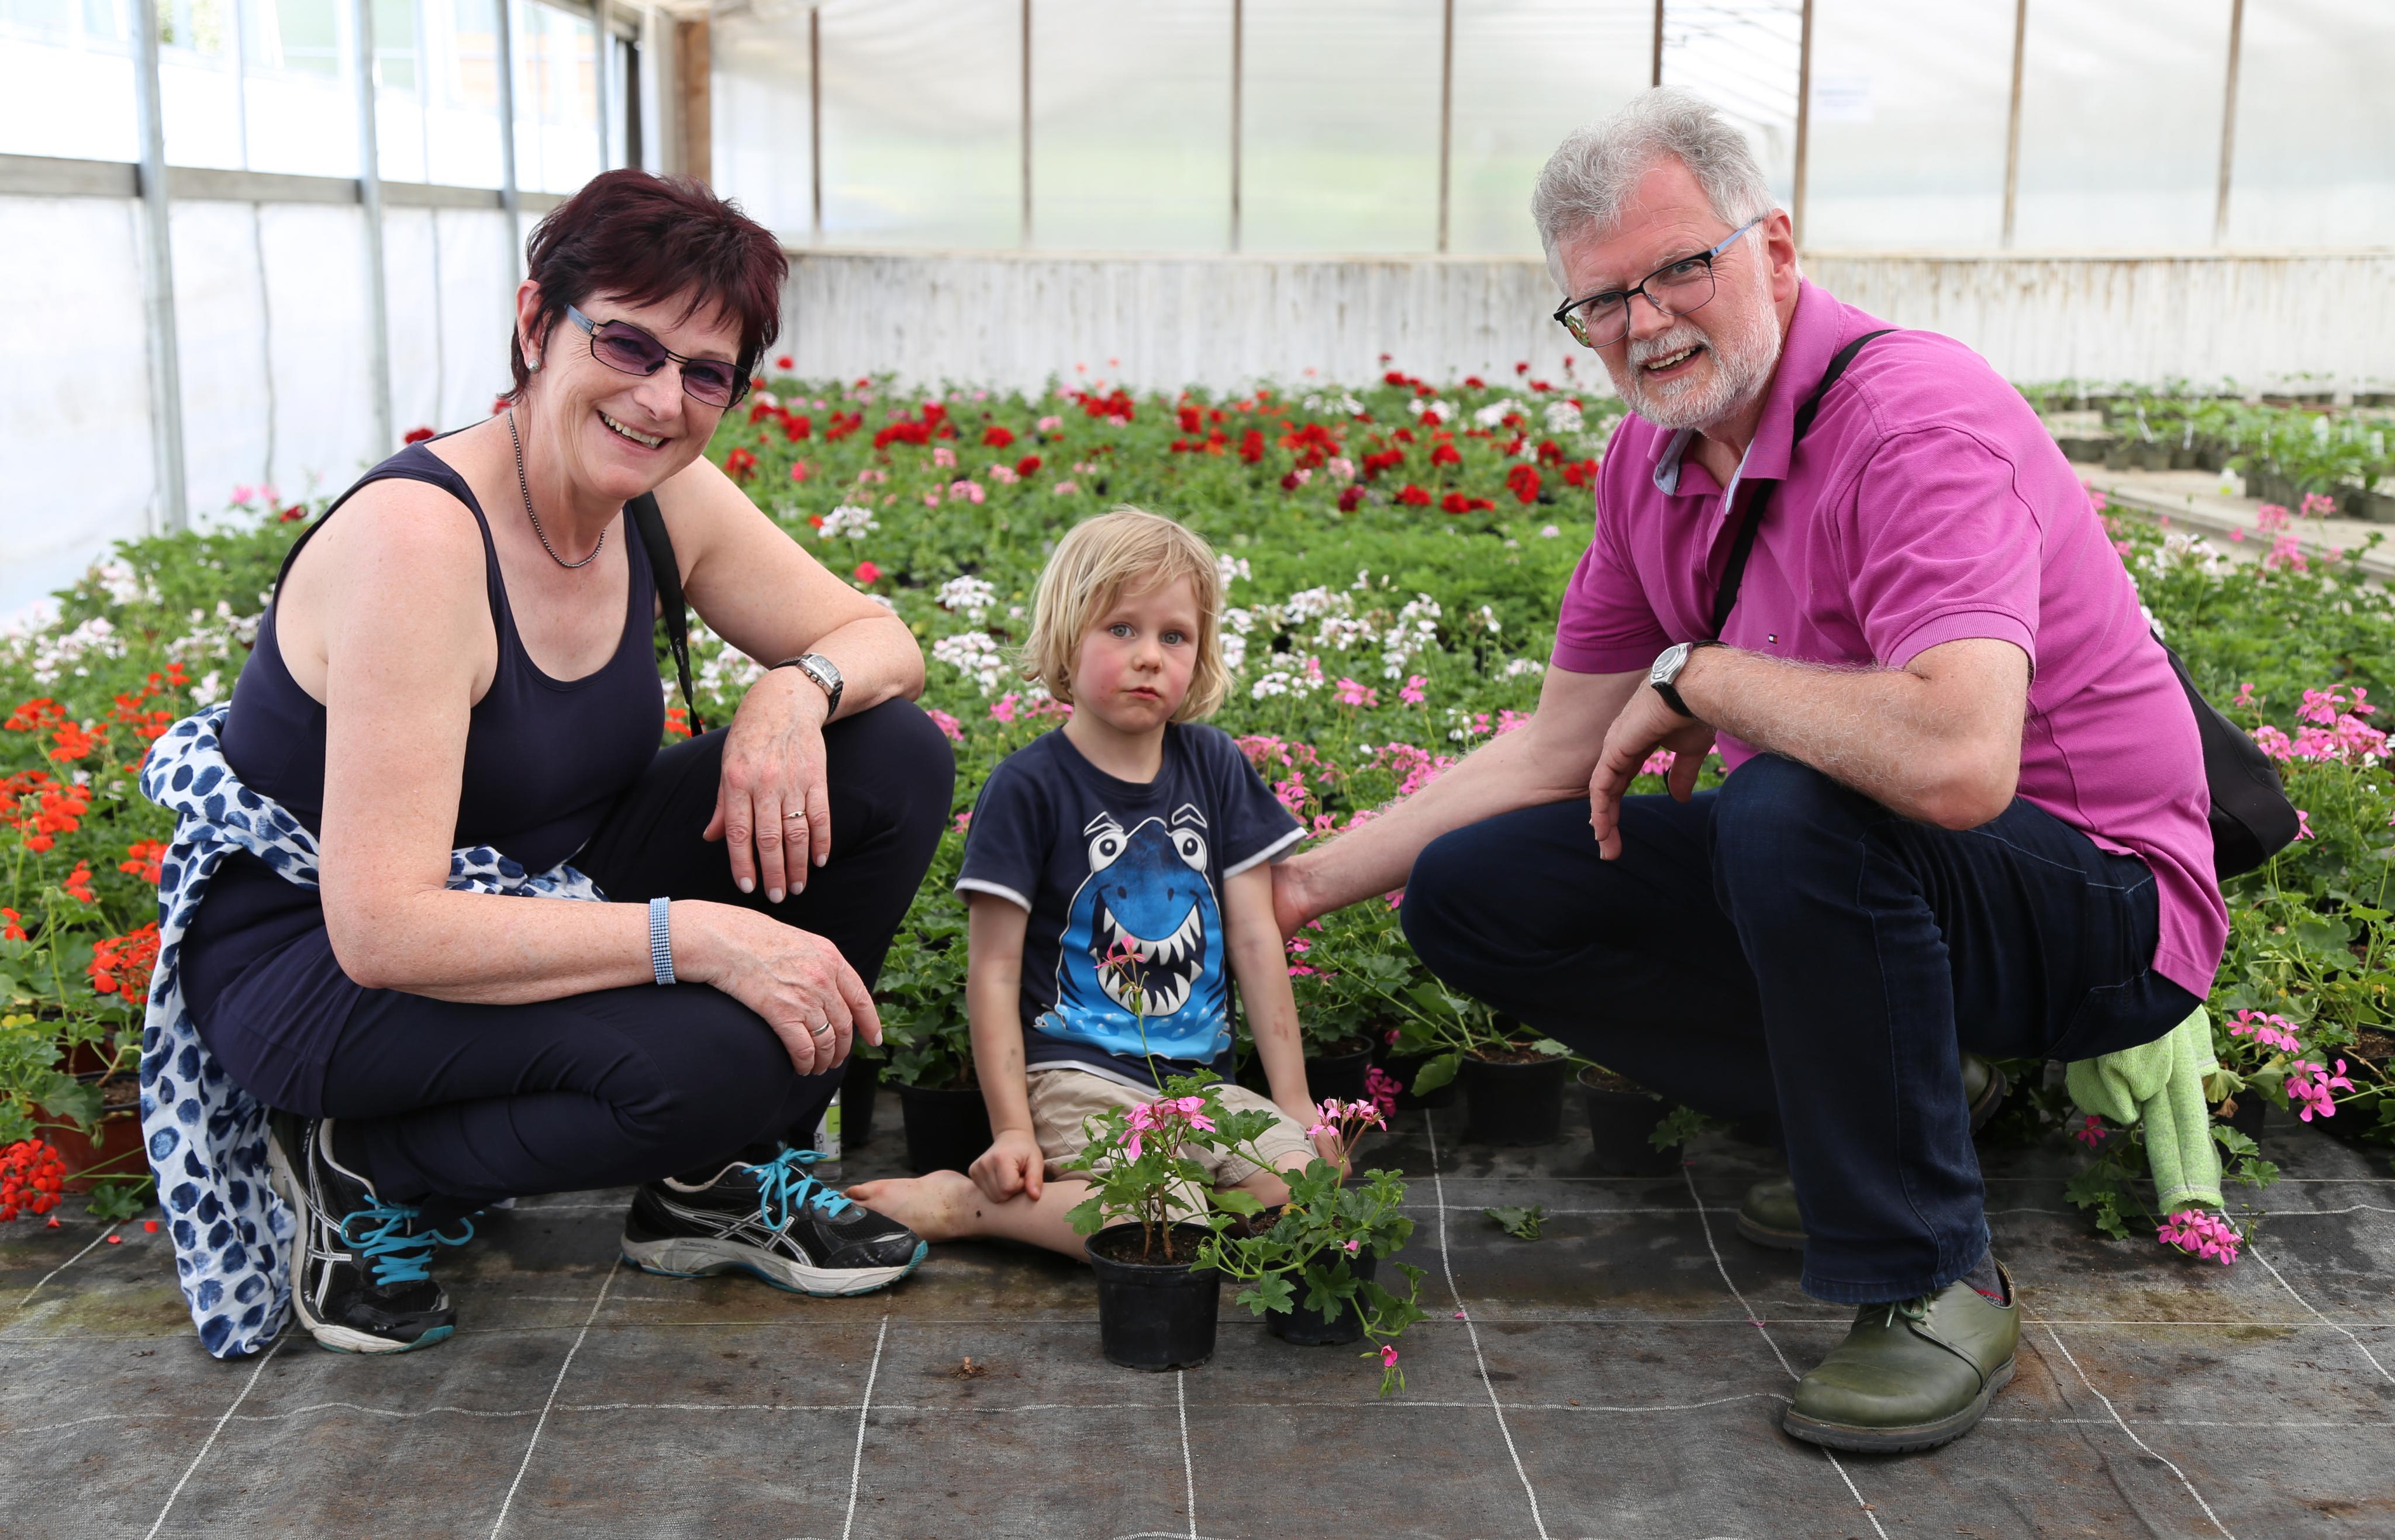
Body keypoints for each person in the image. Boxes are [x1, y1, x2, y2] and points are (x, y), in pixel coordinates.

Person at [1268, 90, 2224, 1453]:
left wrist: (1704, 679)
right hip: (1889, 876)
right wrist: (1301, 891)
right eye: (1603, 300)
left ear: (1773, 249)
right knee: (1478, 891)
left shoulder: (1913, 421)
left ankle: (1932, 1276)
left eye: (1678, 269)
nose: (1646, 322)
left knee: (1786, 805)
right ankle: (1897, 1111)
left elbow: (1959, 764)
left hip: (2101, 909)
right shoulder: (1648, 466)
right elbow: (1557, 746)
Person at [150, 170, 951, 1359]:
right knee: (723, 1059)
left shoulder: (662, 501)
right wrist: (699, 937)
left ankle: (713, 1186)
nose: (660, 399)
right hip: (321, 967)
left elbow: (881, 642)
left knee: (884, 755)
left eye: (706, 373)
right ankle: (359, 1162)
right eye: (626, 345)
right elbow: (383, 929)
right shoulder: (421, 544)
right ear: (535, 323)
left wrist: (793, 689)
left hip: (542, 888)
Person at [850, 509, 1333, 1255]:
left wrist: (1295, 1102)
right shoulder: (1028, 788)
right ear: (1065, 640)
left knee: (1311, 1185)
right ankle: (967, 1207)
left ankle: (1185, 1201)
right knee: (1156, 1221)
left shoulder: (1215, 766)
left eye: (1174, 636)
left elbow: (1254, 938)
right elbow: (994, 970)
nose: (1149, 657)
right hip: (1079, 1078)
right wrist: (1012, 1129)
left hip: (1201, 1088)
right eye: (1121, 629)